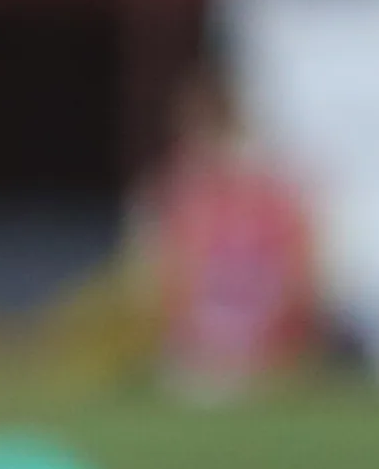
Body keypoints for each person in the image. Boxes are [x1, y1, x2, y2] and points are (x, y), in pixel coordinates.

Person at [132, 64, 318, 388]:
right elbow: (160, 287)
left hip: (268, 355)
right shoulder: (173, 194)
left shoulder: (274, 195)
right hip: (198, 356)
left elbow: (301, 281)